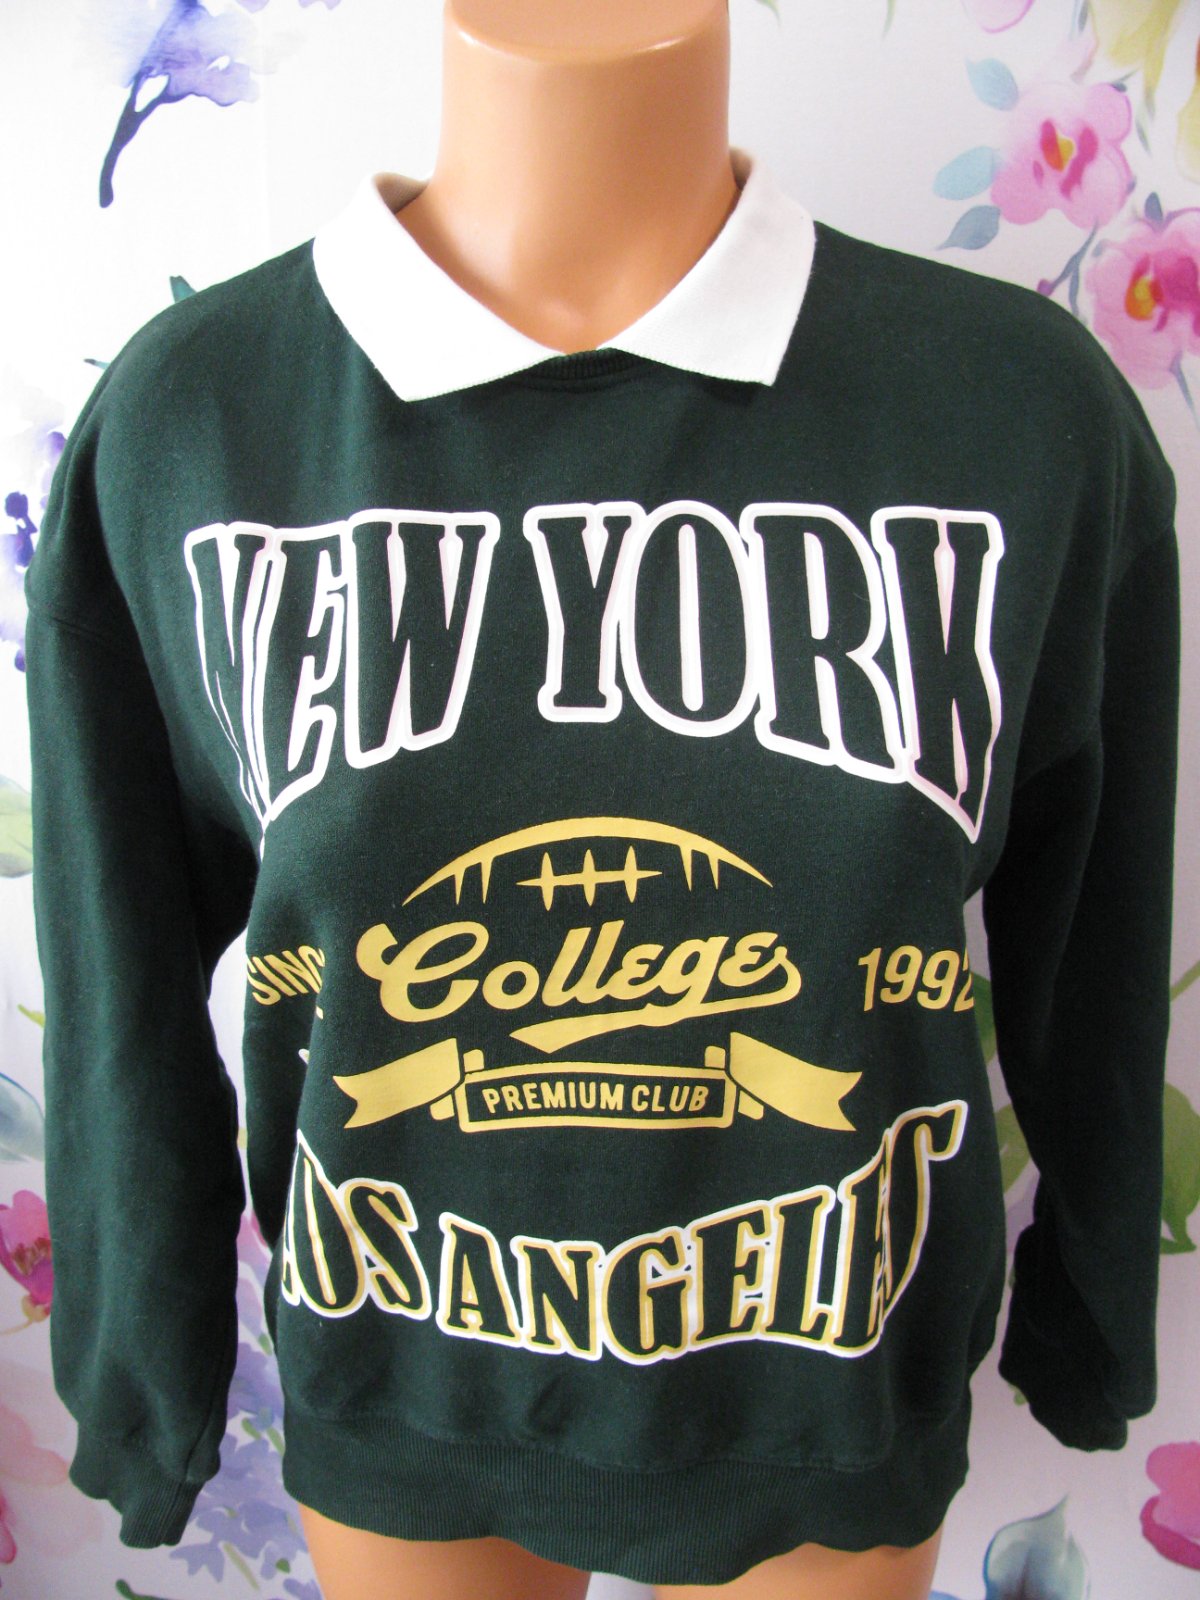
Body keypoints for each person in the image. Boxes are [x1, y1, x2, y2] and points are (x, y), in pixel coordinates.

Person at [25, 0, 1179, 1597]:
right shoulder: (198, 422)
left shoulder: (1018, 414)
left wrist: (1092, 1312)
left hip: (828, 1402)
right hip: (403, 1399)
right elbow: (118, 971)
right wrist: (143, 1382)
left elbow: (1096, 933)